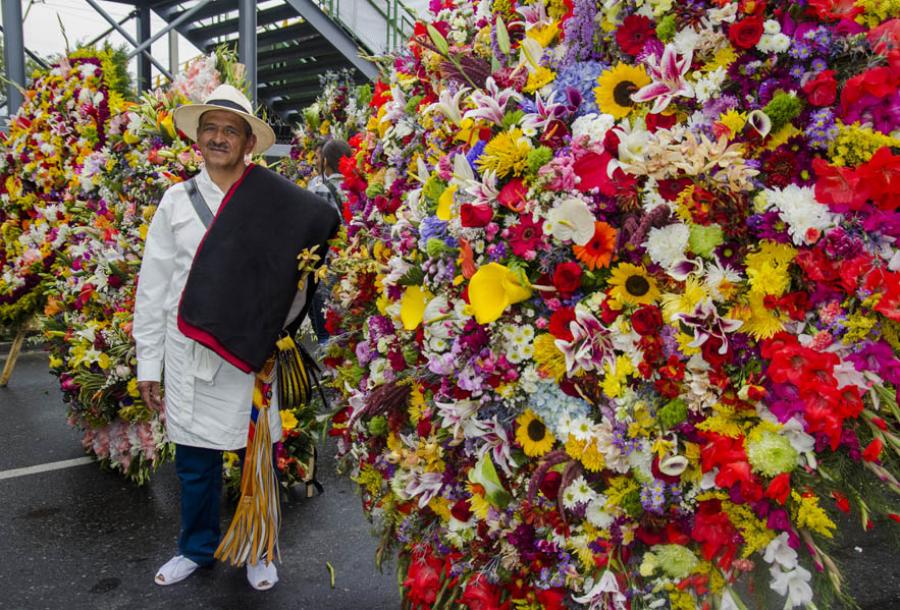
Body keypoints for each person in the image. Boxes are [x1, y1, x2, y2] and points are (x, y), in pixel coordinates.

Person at [134, 84, 339, 591]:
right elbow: (153, 288)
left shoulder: (276, 203)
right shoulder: (175, 201)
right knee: (194, 464)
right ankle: (195, 549)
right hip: (188, 354)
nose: (218, 137)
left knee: (258, 459)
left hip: (250, 356)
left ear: (249, 143)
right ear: (197, 137)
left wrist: (276, 333)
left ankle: (258, 547)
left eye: (231, 130)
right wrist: (147, 365)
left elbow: (299, 278)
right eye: (211, 128)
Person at [306, 137, 351, 343]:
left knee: (325, 322)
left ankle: (329, 363)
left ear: (325, 161)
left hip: (326, 264)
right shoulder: (356, 186)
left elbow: (311, 229)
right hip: (354, 262)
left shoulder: (319, 190)